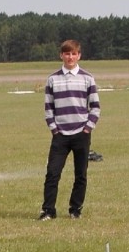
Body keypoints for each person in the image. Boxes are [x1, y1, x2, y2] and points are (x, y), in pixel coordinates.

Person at [38, 40, 101, 221]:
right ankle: (48, 211)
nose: (70, 57)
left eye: (73, 54)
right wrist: (54, 129)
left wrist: (87, 128)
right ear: (61, 55)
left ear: (79, 55)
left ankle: (75, 210)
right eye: (67, 54)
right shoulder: (52, 79)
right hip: (60, 135)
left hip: (81, 133)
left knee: (80, 174)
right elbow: (48, 108)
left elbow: (95, 107)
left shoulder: (88, 78)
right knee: (52, 173)